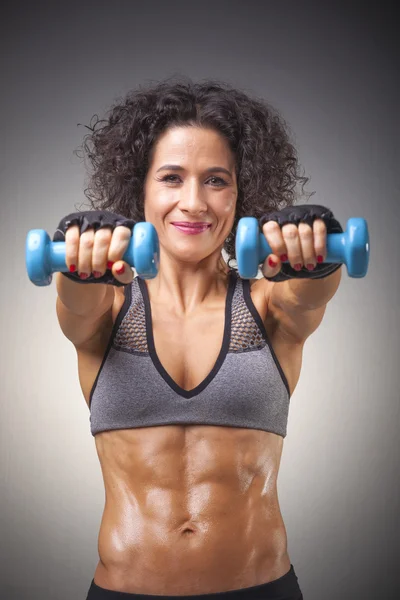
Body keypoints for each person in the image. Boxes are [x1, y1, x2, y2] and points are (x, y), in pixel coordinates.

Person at [54, 77, 343, 600]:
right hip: (125, 591)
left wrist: (317, 249)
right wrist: (81, 261)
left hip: (262, 588)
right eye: (170, 178)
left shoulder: (266, 306)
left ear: (240, 194)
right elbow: (76, 301)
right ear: (139, 189)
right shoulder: (110, 309)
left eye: (215, 180)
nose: (193, 202)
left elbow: (310, 292)